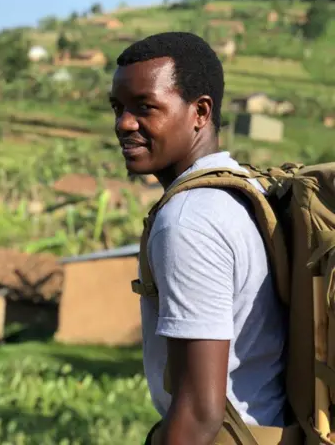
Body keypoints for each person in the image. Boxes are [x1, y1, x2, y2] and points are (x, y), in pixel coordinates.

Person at [109, 31, 288, 444]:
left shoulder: (188, 221)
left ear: (200, 112)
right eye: (118, 108)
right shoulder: (243, 191)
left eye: (144, 107)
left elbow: (199, 414)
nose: (123, 124)